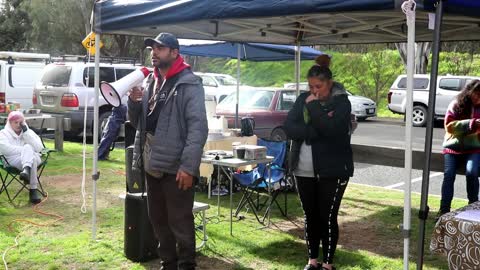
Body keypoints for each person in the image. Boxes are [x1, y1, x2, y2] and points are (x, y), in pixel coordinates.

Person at [128, 32, 208, 270]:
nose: (154, 53)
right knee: (158, 220)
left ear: (174, 53)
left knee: (180, 221)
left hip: (177, 167)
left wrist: (188, 167)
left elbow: (198, 129)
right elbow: (138, 124)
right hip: (153, 165)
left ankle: (186, 265)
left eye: (160, 49)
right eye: (152, 49)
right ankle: (168, 263)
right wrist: (134, 102)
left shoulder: (189, 83)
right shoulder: (151, 82)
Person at [284, 65, 354, 270]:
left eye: (319, 86)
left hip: (332, 170)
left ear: (329, 83)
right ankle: (312, 260)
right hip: (303, 169)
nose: (314, 91)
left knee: (327, 216)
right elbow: (289, 126)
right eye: (311, 86)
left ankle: (328, 264)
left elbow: (332, 129)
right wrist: (312, 132)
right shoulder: (303, 99)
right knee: (311, 215)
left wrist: (314, 109)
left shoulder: (342, 102)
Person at [438, 80, 480, 218]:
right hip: (453, 147)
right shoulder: (456, 104)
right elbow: (449, 126)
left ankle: (473, 208)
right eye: (476, 94)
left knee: (472, 173)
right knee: (449, 174)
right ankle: (444, 209)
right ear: (469, 92)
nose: (478, 98)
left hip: (474, 148)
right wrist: (471, 124)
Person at [0, 111, 44, 204]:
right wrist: (25, 150)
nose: (18, 125)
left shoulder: (28, 132)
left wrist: (26, 133)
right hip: (12, 160)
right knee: (30, 153)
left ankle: (26, 171)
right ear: (10, 123)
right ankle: (33, 191)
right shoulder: (3, 133)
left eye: (20, 122)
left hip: (31, 159)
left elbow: (39, 148)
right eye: (15, 122)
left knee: (33, 157)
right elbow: (5, 150)